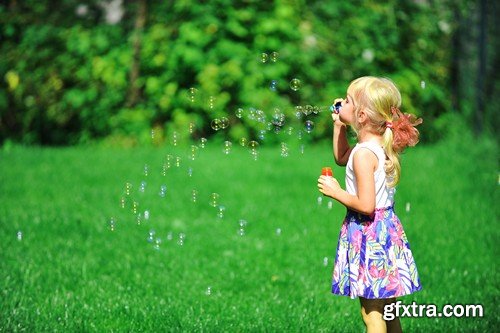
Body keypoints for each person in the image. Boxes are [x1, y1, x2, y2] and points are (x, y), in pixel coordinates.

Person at [317, 76, 423, 333]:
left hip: (368, 236)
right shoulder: (374, 146)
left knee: (371, 315)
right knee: (390, 311)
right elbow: (343, 157)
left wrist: (337, 192)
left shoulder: (364, 155)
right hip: (385, 232)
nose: (341, 102)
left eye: (348, 100)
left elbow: (365, 205)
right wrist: (339, 125)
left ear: (361, 115)